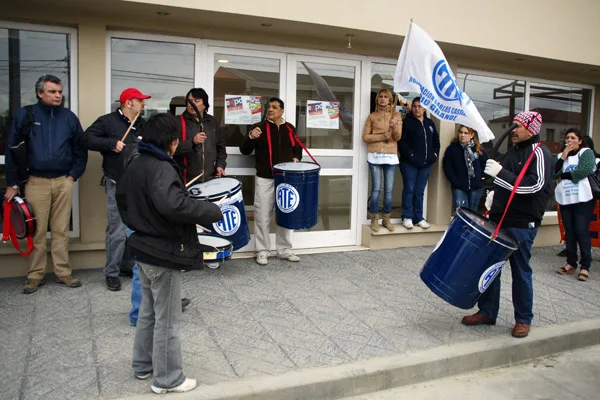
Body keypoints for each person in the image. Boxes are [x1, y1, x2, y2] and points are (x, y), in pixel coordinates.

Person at [116, 113, 222, 394]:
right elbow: (173, 205)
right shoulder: (161, 167)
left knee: (149, 312)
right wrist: (211, 210)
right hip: (163, 252)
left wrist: (139, 224)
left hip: (143, 248)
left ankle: (143, 366)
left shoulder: (137, 161)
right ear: (172, 141)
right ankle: (168, 379)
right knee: (168, 318)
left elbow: (123, 199)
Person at [461, 111, 552, 339]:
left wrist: (501, 175)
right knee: (490, 268)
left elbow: (534, 186)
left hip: (522, 223)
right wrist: (493, 192)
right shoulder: (513, 151)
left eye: (517, 127)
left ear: (531, 129)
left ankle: (523, 319)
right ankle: (488, 311)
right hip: (499, 219)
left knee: (521, 271)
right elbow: (504, 181)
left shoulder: (540, 153)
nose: (513, 131)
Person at [4, 74, 88, 294]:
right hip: (35, 182)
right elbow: (12, 149)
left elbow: (80, 149)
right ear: (40, 93)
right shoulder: (27, 115)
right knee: (37, 231)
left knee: (60, 230)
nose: (58, 95)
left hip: (63, 181)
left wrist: (73, 175)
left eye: (60, 92)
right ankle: (35, 275)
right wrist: (13, 183)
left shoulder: (69, 118)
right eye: (52, 91)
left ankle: (63, 273)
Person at [84, 88, 150, 291]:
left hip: (137, 183)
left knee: (135, 227)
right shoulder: (107, 121)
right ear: (128, 103)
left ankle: (126, 266)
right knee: (117, 230)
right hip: (116, 182)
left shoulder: (142, 124)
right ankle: (111, 273)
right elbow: (85, 139)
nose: (143, 104)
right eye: (140, 101)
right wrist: (111, 143)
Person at [240, 97, 302, 266]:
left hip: (285, 179)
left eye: (275, 107)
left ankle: (284, 250)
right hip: (264, 178)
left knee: (285, 214)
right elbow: (244, 150)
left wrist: (296, 158)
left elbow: (297, 148)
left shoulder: (290, 128)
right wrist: (251, 137)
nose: (270, 109)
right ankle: (262, 250)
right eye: (269, 107)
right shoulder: (258, 128)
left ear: (282, 111)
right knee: (262, 215)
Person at [554, 128, 596, 282]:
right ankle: (571, 263)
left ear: (579, 140)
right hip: (566, 199)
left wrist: (563, 176)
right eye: (567, 138)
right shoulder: (561, 156)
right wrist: (563, 157)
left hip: (582, 200)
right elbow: (553, 174)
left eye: (573, 138)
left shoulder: (586, 153)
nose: (569, 140)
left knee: (581, 231)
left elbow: (582, 171)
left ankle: (585, 266)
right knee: (570, 232)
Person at [363, 89, 402, 232]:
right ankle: (374, 217)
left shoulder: (396, 116)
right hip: (375, 156)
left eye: (386, 97)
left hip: (390, 156)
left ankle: (386, 218)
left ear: (390, 100)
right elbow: (365, 137)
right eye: (381, 97)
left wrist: (395, 126)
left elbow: (398, 137)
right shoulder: (372, 116)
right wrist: (381, 136)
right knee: (376, 189)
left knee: (389, 190)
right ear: (377, 99)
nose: (383, 99)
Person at [397, 97, 440, 229]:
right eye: (414, 106)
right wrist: (411, 155)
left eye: (419, 106)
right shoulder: (407, 122)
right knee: (409, 189)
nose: (417, 108)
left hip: (426, 164)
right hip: (409, 163)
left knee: (419, 191)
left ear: (424, 109)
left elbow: (436, 142)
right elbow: (401, 142)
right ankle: (407, 217)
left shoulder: (430, 123)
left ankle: (418, 217)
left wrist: (434, 155)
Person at [174, 88, 226, 183]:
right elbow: (172, 149)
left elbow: (221, 147)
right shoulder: (177, 122)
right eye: (190, 101)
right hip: (184, 180)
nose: (192, 104)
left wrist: (220, 165)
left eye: (196, 101)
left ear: (204, 104)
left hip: (209, 179)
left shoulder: (213, 122)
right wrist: (192, 142)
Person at [442, 125, 488, 212]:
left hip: (476, 186)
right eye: (461, 132)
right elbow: (447, 166)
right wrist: (455, 181)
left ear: (472, 135)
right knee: (461, 213)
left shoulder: (479, 149)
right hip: (459, 186)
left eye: (466, 133)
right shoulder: (452, 148)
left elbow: (486, 164)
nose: (462, 135)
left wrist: (482, 177)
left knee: (472, 214)